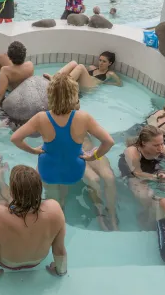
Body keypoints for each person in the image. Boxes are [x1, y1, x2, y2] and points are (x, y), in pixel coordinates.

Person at [10, 73, 114, 208]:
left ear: (50, 95)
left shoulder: (41, 118)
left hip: (48, 170)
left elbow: (15, 138)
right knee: (64, 188)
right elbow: (108, 142)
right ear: (74, 95)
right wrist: (93, 156)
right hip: (74, 171)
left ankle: (56, 211)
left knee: (51, 199)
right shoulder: (84, 118)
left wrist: (33, 151)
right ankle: (63, 203)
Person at [0, 163, 67, 279]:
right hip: (37, 260)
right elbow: (59, 251)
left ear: (12, 192)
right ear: (39, 189)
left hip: (8, 263)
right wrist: (61, 272)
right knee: (15, 203)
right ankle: (1, 181)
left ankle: (0, 181)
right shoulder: (54, 209)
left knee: (0, 200)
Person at [119, 125, 165, 228]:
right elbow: (137, 173)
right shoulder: (132, 151)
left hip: (153, 168)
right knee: (145, 196)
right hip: (132, 172)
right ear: (144, 143)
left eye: (162, 143)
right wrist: (157, 177)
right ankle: (145, 216)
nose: (160, 148)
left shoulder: (162, 147)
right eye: (156, 145)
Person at [44, 51, 122, 88]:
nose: (101, 63)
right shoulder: (92, 67)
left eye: (104, 61)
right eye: (100, 60)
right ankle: (55, 77)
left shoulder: (109, 73)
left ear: (110, 63)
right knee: (74, 63)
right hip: (82, 83)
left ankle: (63, 83)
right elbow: (78, 72)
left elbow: (119, 84)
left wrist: (105, 83)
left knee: (81, 66)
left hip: (90, 87)